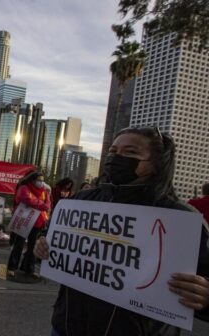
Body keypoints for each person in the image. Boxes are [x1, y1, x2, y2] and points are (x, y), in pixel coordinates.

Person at [34, 127, 209, 335]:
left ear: (156, 164)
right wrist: (42, 247)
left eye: (130, 152)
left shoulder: (181, 219)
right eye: (113, 151)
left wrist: (205, 296)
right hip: (66, 327)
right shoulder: (81, 201)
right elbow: (49, 241)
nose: (117, 158)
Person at [7, 171, 50, 278]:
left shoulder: (44, 191)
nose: (41, 182)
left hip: (38, 222)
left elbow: (48, 204)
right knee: (19, 244)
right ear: (32, 180)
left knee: (33, 246)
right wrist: (41, 204)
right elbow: (25, 199)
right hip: (24, 220)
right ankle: (12, 267)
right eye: (39, 180)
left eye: (42, 180)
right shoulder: (24, 187)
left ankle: (29, 269)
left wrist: (41, 205)